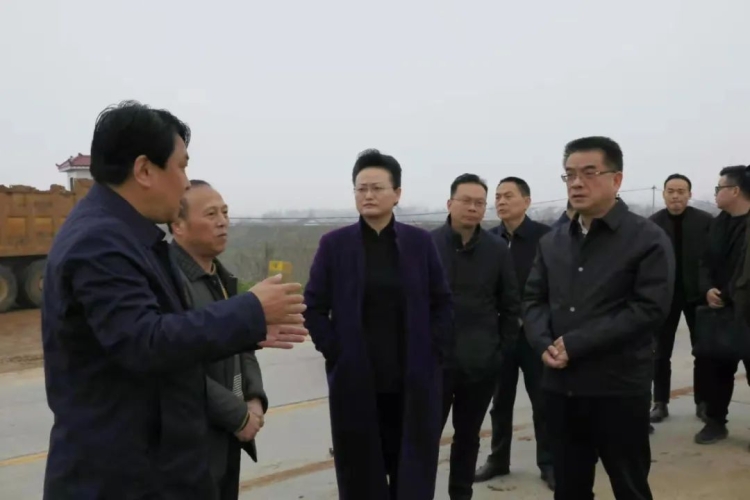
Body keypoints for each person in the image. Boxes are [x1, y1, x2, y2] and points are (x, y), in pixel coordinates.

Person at [41, 100, 307, 500]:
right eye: (181, 166)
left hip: (154, 468)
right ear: (144, 170)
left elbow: (170, 333)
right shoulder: (100, 242)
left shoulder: (132, 237)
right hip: (119, 479)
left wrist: (248, 329)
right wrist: (249, 309)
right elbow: (145, 342)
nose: (185, 183)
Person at [524, 136, 674, 500]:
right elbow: (532, 299)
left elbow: (648, 309)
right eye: (570, 175)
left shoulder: (647, 239)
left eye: (589, 173)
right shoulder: (553, 242)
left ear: (616, 179)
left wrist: (576, 344)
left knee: (629, 485)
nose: (577, 183)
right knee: (569, 487)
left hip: (617, 388)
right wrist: (543, 343)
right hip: (561, 388)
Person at [304, 148, 453, 500]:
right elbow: (314, 307)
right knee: (360, 473)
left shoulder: (419, 243)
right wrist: (336, 352)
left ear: (397, 193)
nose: (368, 195)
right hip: (356, 381)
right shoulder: (334, 245)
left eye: (376, 188)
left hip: (412, 381)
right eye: (361, 189)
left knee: (412, 472)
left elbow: (442, 302)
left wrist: (433, 351)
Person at [169, 180, 268, 500]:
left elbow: (243, 344)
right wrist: (236, 415)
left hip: (228, 437)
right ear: (178, 225)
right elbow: (175, 366)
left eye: (225, 212)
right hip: (192, 443)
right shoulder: (169, 283)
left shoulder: (221, 278)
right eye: (211, 214)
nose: (222, 221)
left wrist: (253, 398)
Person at [431, 174, 520, 500]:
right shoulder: (427, 245)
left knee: (468, 437)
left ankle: (461, 494)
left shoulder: (497, 249)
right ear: (449, 203)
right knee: (424, 438)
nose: (472, 207)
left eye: (479, 202)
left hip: (480, 364)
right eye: (466, 200)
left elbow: (510, 305)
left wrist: (499, 351)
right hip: (433, 365)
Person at [475, 177, 554, 490]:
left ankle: (549, 462)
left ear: (527, 201)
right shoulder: (488, 240)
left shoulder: (546, 238)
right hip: (500, 335)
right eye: (497, 197)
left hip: (535, 335)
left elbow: (554, 285)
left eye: (508, 196)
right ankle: (498, 458)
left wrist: (534, 321)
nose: (501, 201)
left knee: (543, 401)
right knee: (500, 401)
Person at [648, 174, 713, 424]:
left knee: (703, 351)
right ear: (664, 194)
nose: (676, 196)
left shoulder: (705, 222)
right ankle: (660, 402)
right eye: (671, 191)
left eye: (681, 191)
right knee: (660, 352)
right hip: (664, 297)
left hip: (698, 295)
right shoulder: (652, 225)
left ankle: (703, 402)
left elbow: (714, 258)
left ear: (689, 194)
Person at [694, 165, 750, 445]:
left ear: (735, 191)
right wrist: (707, 289)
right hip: (720, 312)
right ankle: (715, 422)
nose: (716, 193)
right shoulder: (718, 223)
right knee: (716, 369)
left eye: (720, 188)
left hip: (746, 310)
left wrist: (729, 293)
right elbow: (704, 261)